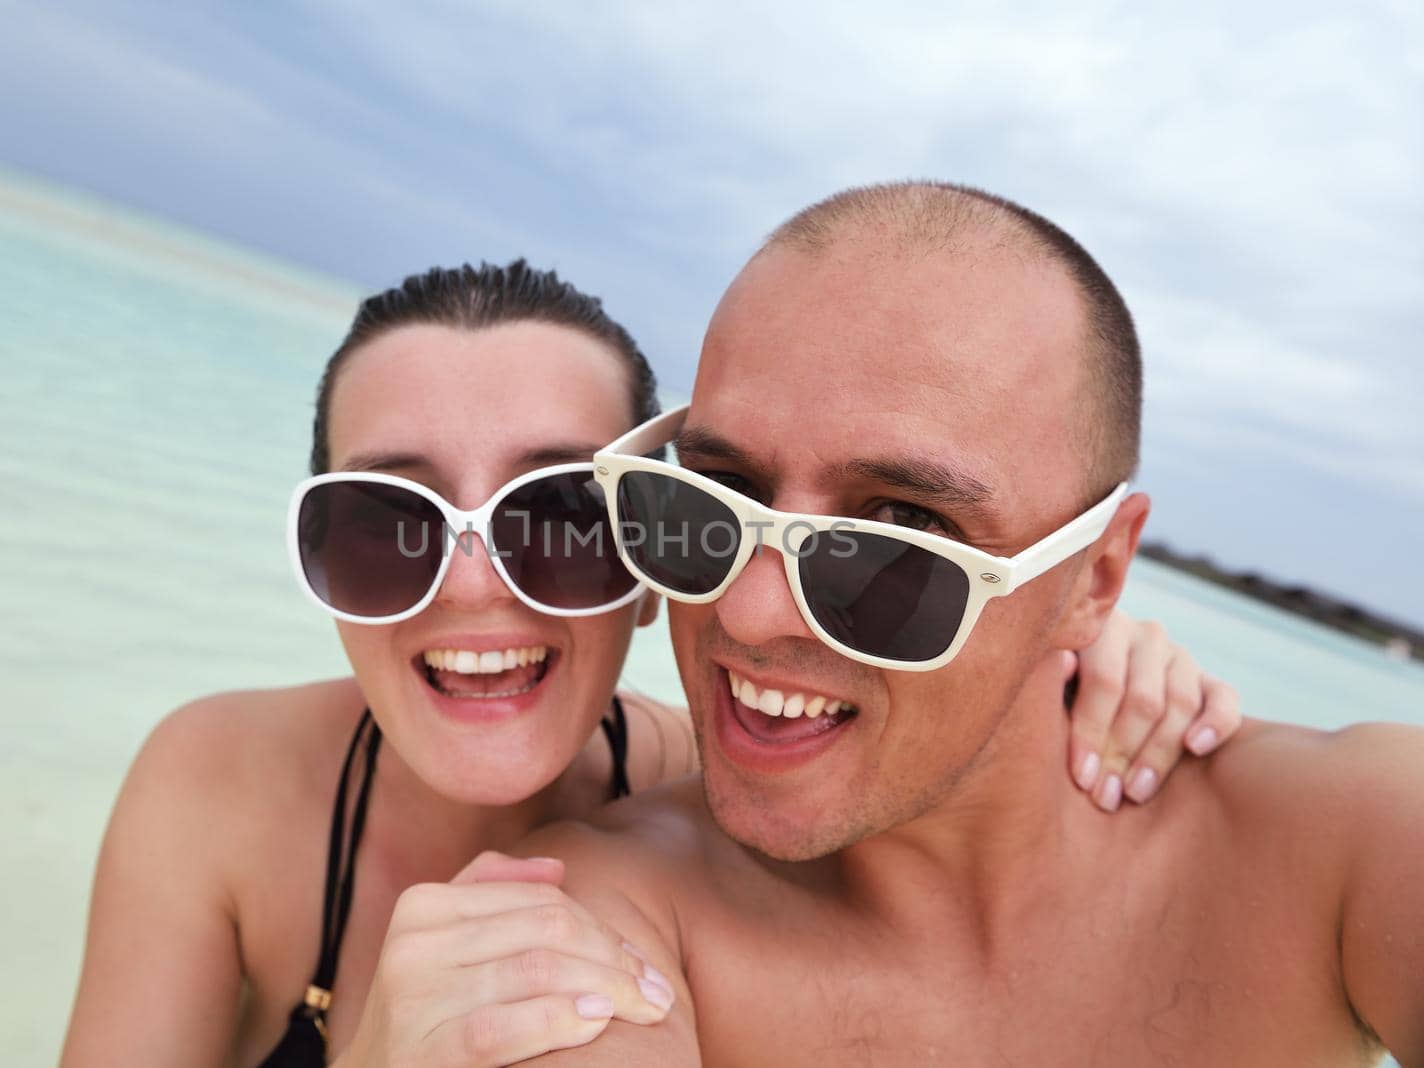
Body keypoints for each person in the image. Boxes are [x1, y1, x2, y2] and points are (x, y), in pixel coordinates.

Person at [59, 260, 1242, 1068]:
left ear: (662, 555)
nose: (473, 586)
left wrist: (1069, 650)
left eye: (565, 518)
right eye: (385, 526)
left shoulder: (751, 797)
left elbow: (952, 762)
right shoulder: (217, 786)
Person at [508, 183, 1424, 1066]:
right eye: (716, 496)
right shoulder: (594, 917)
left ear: (1092, 581)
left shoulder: (1355, 837)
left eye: (899, 535)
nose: (746, 609)